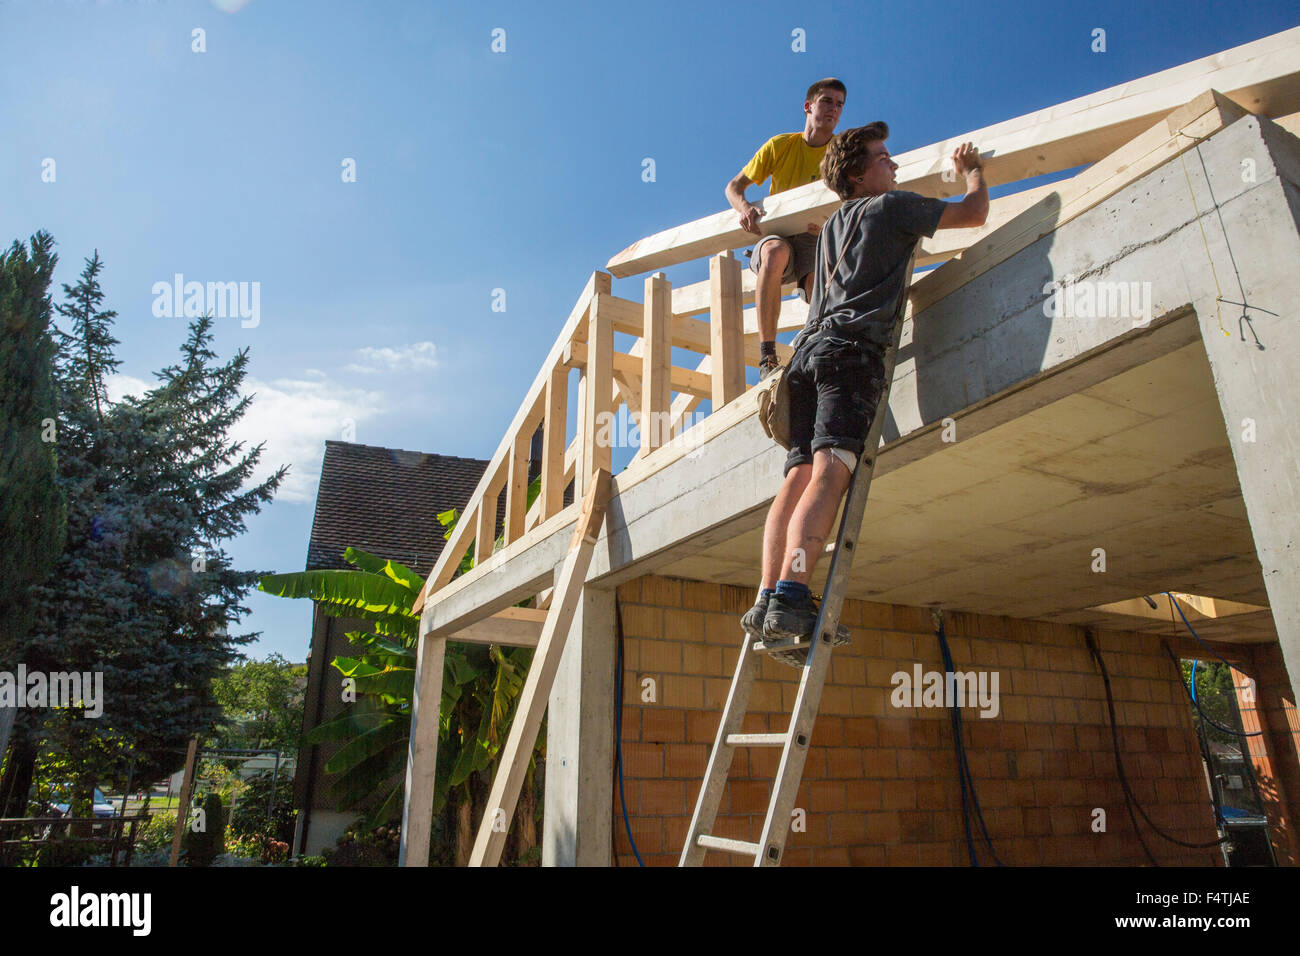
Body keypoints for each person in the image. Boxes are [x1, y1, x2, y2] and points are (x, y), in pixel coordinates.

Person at [742, 122, 989, 660]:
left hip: (804, 357)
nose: (894, 166)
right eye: (884, 158)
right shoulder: (894, 207)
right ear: (858, 174)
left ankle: (766, 599)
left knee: (798, 475)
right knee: (832, 470)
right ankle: (791, 595)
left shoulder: (830, 229)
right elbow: (974, 216)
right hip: (850, 354)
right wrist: (972, 173)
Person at [725, 78, 846, 378]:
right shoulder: (781, 146)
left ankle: (824, 345)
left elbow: (855, 198)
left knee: (817, 278)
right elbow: (733, 186)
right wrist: (744, 208)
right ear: (808, 106)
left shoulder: (840, 153)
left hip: (814, 235)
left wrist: (833, 226)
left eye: (840, 104)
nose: (834, 109)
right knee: (775, 251)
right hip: (777, 234)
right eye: (827, 101)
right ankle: (767, 358)